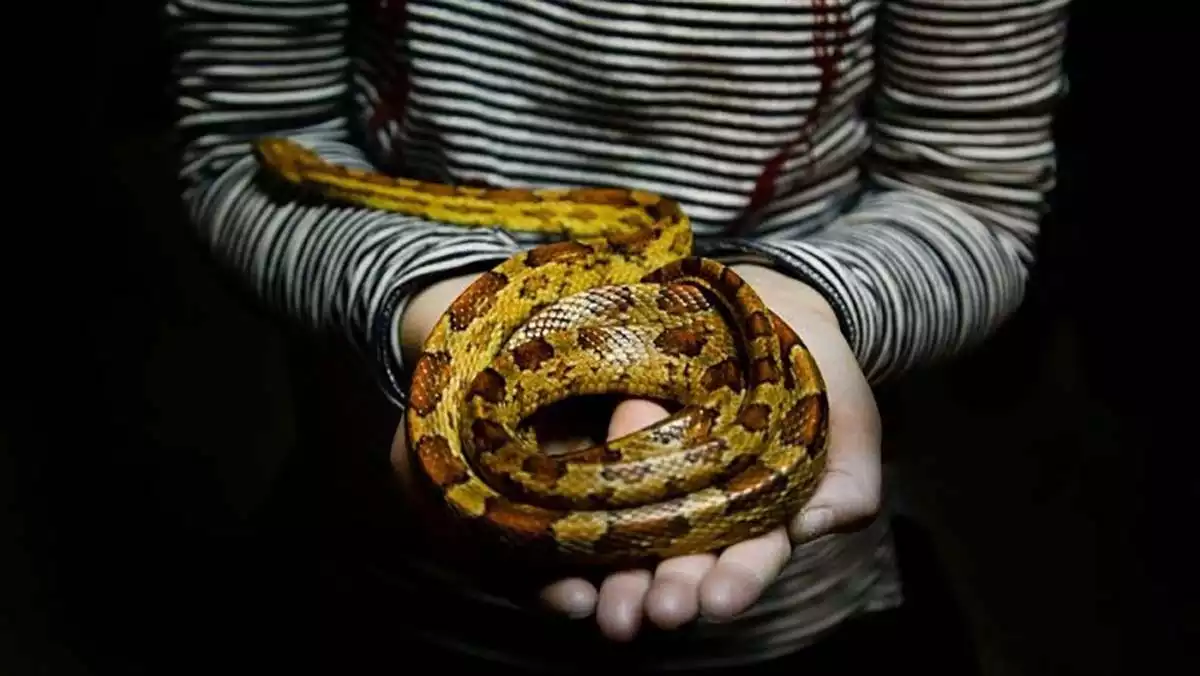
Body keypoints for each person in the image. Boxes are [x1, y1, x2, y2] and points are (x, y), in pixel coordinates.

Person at [167, 0, 1069, 672]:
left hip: (808, 620)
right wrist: (433, 299)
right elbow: (241, 149)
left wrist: (810, 302)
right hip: (369, 580)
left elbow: (970, 201)